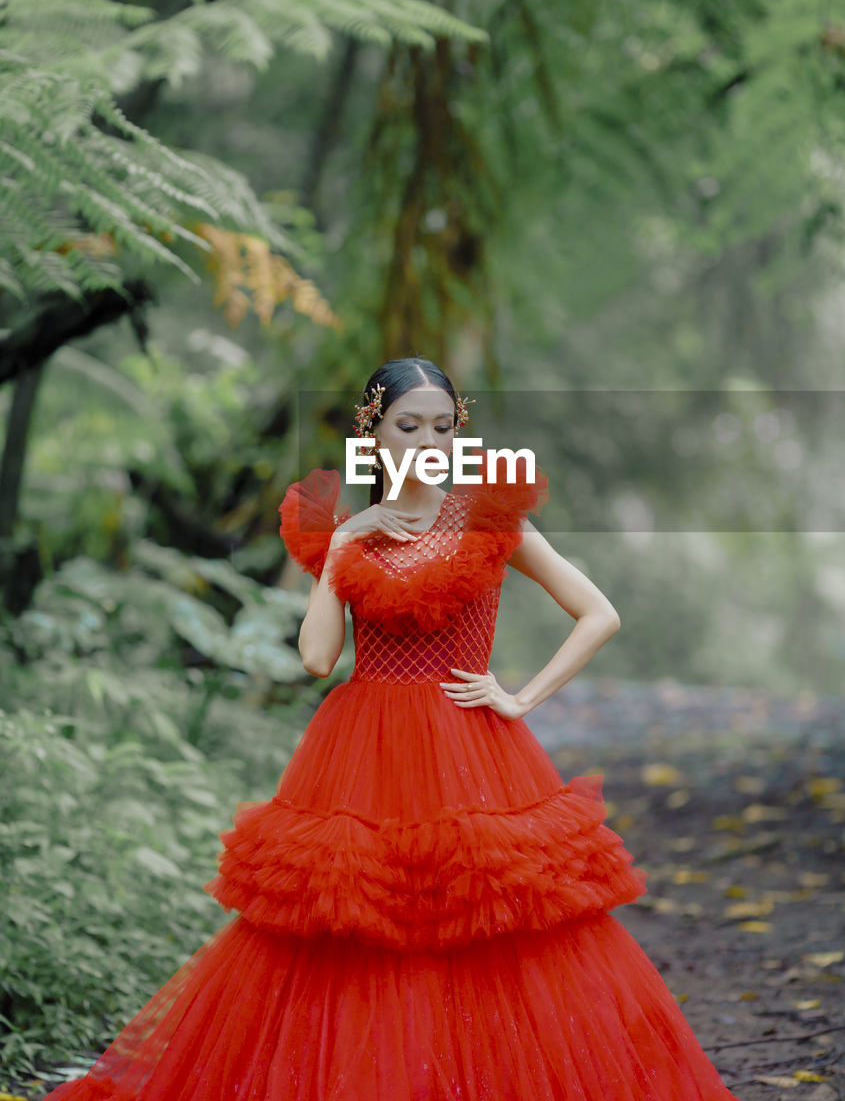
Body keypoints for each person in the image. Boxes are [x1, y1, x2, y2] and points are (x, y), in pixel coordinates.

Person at [41, 355, 743, 1101]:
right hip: (362, 750)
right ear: (371, 437)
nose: (428, 442)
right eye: (408, 426)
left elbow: (598, 613)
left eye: (442, 426)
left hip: (470, 747)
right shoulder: (347, 534)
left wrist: (520, 696)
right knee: (356, 926)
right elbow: (316, 659)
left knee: (485, 923)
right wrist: (345, 545)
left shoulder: (487, 516)